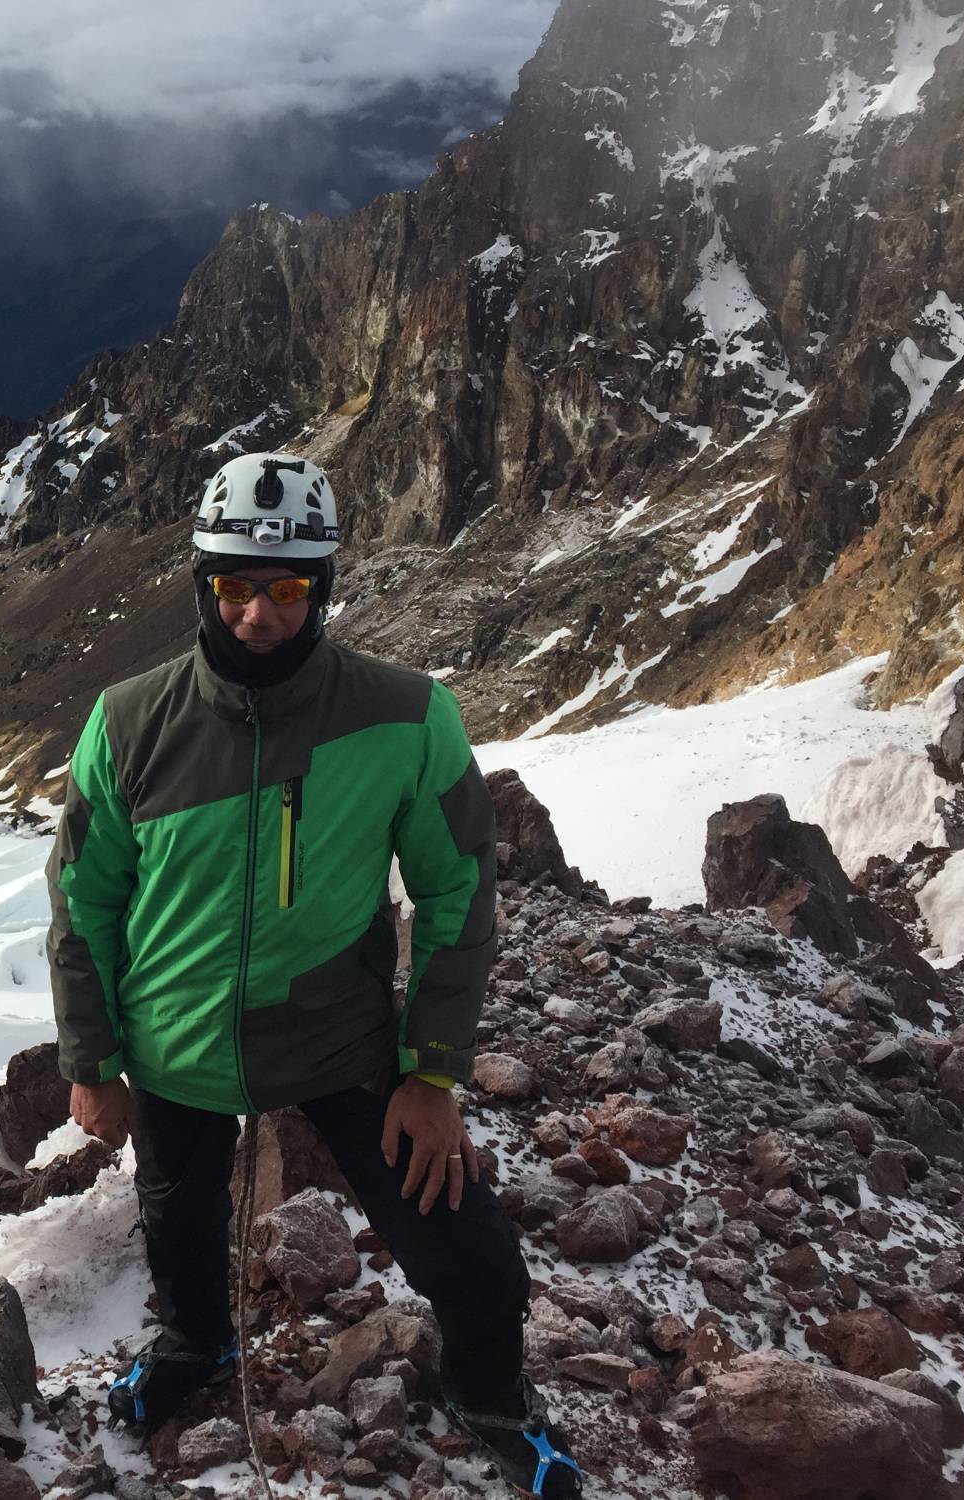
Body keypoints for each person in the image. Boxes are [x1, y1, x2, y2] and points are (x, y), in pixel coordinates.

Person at [44, 452, 584, 1498]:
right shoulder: (127, 722)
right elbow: (82, 900)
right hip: (172, 1044)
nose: (256, 614)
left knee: (465, 1251)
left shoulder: (403, 717)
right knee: (177, 1225)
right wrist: (90, 1055)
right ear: (202, 583)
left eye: (285, 588)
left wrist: (431, 1073)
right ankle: (199, 1349)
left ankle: (493, 1399)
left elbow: (456, 889)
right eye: (233, 586)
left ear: (321, 589)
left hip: (337, 1036)